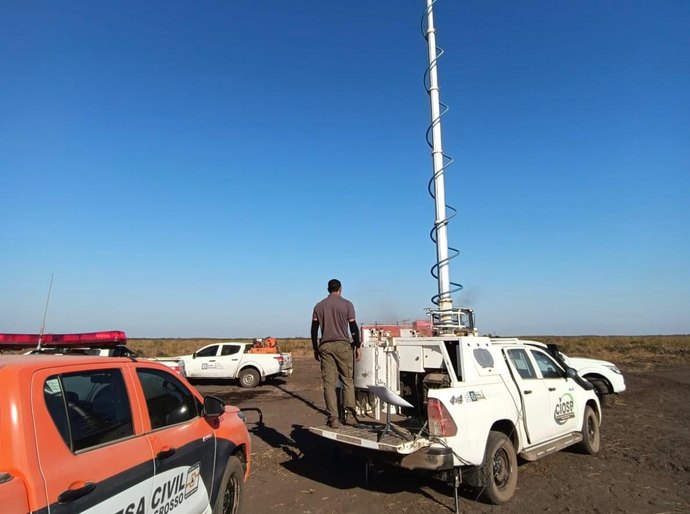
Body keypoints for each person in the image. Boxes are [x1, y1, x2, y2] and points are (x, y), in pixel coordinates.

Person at [311, 278, 362, 428]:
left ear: (328, 289)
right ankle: (350, 415)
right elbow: (353, 327)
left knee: (329, 383)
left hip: (325, 347)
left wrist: (315, 348)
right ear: (340, 289)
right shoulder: (347, 304)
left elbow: (314, 329)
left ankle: (333, 418)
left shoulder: (319, 306)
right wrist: (357, 346)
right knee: (347, 380)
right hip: (343, 346)